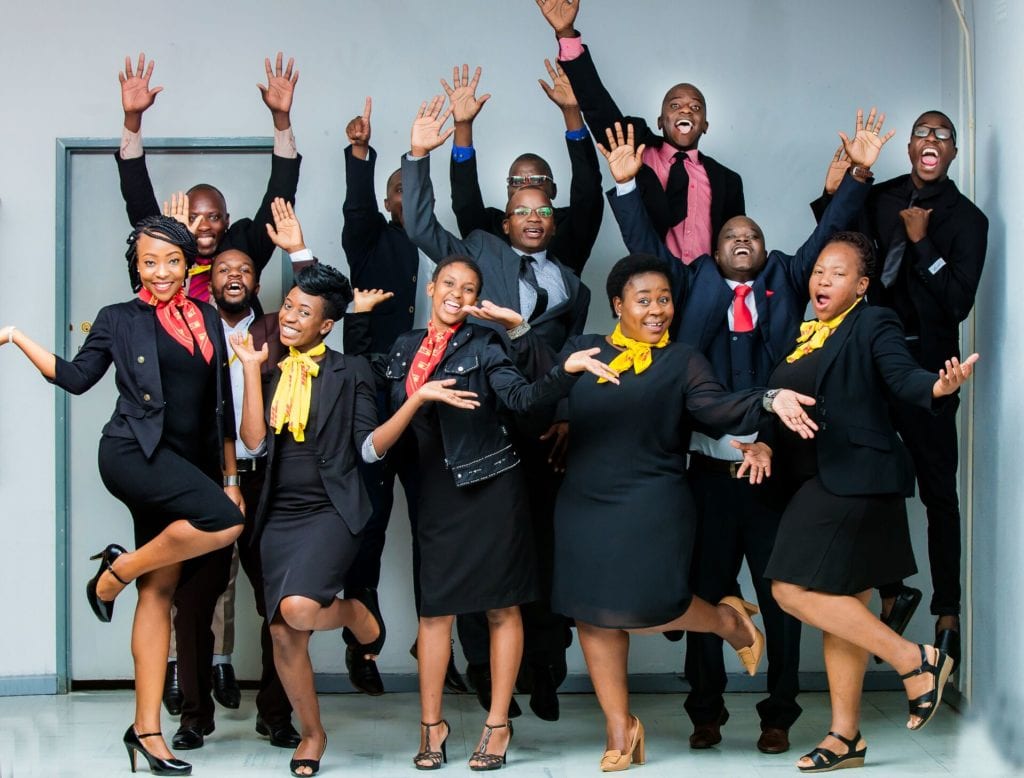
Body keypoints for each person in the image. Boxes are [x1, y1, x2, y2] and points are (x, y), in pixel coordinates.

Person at [599, 113, 890, 753]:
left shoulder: (789, 276)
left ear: (765, 249)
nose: (741, 240)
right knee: (705, 593)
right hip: (707, 473)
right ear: (713, 248)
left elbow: (825, 239)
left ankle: (779, 712)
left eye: (751, 235)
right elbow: (644, 248)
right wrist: (624, 188)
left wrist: (859, 175)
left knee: (782, 598)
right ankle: (705, 710)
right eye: (730, 233)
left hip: (779, 474)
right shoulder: (692, 279)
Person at [540, 253, 816, 771]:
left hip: (653, 500)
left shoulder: (684, 359)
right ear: (618, 304)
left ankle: (727, 622)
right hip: (584, 502)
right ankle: (621, 730)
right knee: (593, 615)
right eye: (643, 300)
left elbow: (716, 410)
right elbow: (542, 397)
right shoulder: (583, 349)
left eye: (664, 300)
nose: (656, 310)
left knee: (653, 605)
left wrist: (769, 398)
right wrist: (548, 363)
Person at [2, 215, 245, 776]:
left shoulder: (207, 317)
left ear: (189, 264)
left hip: (188, 463)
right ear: (136, 266)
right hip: (133, 456)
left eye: (172, 261)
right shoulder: (119, 319)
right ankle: (114, 573)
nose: (161, 272)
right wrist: (15, 336)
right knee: (222, 525)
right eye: (149, 262)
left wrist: (230, 479)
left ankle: (147, 732)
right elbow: (75, 377)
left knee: (160, 592)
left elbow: (221, 411)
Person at [355, 254, 616, 770]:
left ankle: (497, 724)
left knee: (502, 608)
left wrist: (565, 370)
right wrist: (359, 320)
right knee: (434, 613)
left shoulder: (485, 344)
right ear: (431, 287)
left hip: (491, 488)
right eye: (449, 282)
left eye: (468, 288)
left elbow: (522, 399)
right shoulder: (404, 349)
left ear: (476, 300)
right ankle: (432, 724)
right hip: (432, 494)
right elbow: (366, 387)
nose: (457, 292)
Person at [401, 95, 591, 721]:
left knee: (540, 545)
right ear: (505, 221)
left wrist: (563, 415)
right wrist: (419, 156)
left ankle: (547, 663)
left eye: (543, 211)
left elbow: (562, 362)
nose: (532, 219)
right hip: (478, 423)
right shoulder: (480, 251)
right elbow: (423, 227)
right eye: (521, 210)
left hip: (541, 427)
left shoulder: (576, 286)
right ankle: (484, 670)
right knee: (479, 552)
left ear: (554, 221)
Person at [761, 231, 974, 771]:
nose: (822, 281)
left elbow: (902, 375)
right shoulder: (804, 332)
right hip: (817, 477)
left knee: (788, 588)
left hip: (856, 478)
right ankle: (846, 738)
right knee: (846, 608)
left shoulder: (872, 322)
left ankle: (914, 660)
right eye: (818, 273)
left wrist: (936, 388)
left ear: (861, 285)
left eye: (837, 273)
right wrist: (762, 437)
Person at [812, 111, 988, 669]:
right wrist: (832, 190)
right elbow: (842, 248)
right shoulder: (882, 194)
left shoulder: (969, 219)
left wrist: (923, 245)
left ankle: (948, 611)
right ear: (910, 147)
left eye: (942, 135)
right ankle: (891, 589)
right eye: (922, 134)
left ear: (954, 153)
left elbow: (958, 302)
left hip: (932, 363)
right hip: (869, 357)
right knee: (867, 475)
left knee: (939, 491)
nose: (930, 141)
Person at [154, 195, 313, 750]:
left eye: (245, 268)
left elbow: (317, 299)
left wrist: (298, 251)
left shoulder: (278, 328)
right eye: (224, 269)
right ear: (208, 279)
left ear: (256, 279)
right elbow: (149, 286)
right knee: (195, 600)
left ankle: (276, 712)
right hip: (204, 482)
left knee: (276, 600)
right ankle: (194, 715)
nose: (236, 275)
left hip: (270, 482)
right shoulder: (187, 325)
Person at [229, 263, 386, 778]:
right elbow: (253, 441)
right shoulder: (272, 370)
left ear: (326, 324)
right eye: (288, 307)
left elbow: (367, 449)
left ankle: (352, 615)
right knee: (282, 633)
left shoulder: (352, 371)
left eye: (303, 312)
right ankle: (314, 733)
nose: (290, 318)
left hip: (332, 511)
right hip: (279, 515)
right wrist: (251, 370)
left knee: (297, 609)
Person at [340, 96, 468, 696]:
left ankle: (436, 645)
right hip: (377, 410)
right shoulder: (372, 243)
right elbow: (358, 205)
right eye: (395, 189)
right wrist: (362, 156)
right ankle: (363, 647)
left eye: (408, 190)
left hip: (436, 418)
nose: (402, 198)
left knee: (436, 530)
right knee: (368, 526)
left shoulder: (450, 259)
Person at [535, 0, 744, 263]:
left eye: (695, 107)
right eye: (675, 105)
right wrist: (567, 33)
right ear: (660, 120)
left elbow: (735, 250)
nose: (686, 111)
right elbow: (598, 105)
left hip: (706, 289)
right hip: (652, 285)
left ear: (706, 124)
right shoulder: (635, 148)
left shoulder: (728, 181)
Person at [115, 51, 303, 308]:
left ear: (227, 221)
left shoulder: (243, 250)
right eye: (192, 217)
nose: (203, 225)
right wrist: (132, 120)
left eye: (213, 217)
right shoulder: (166, 250)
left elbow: (280, 194)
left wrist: (281, 119)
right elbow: (137, 194)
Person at [443, 62, 603, 275]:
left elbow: (588, 188)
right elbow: (465, 200)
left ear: (553, 190)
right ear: (508, 191)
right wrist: (463, 125)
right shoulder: (490, 228)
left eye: (537, 179)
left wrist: (572, 111)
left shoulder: (569, 226)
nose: (526, 186)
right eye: (516, 182)